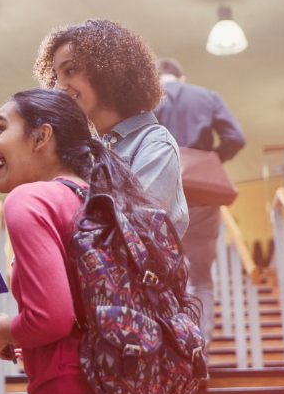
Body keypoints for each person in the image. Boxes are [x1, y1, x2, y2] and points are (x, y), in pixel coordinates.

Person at [0, 88, 188, 394]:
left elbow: (51, 317)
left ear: (41, 137)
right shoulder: (120, 203)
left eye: (1, 130)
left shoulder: (31, 199)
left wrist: (5, 330)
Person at [34, 19, 189, 238]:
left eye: (70, 70)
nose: (58, 86)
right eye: (56, 77)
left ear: (106, 71)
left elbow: (132, 234)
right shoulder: (81, 152)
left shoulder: (155, 144)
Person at [156, 57, 246, 342]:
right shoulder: (207, 97)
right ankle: (199, 349)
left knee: (157, 275)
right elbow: (235, 137)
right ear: (181, 78)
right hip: (201, 197)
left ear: (154, 77)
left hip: (158, 193)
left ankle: (168, 349)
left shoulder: (144, 99)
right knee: (200, 279)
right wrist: (209, 162)